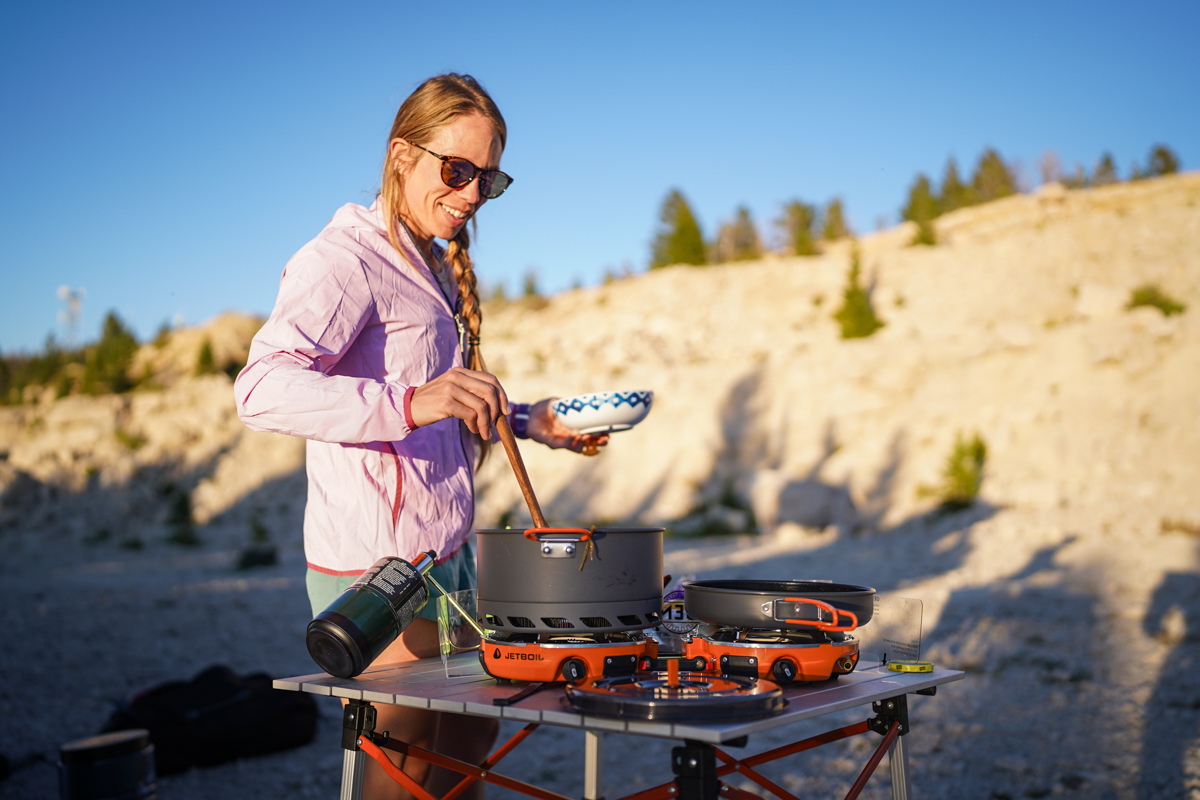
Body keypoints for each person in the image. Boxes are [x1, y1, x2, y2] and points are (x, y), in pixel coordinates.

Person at [234, 73, 605, 800]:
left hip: (450, 555)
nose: (470, 194)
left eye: (487, 180)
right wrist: (409, 402)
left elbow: (443, 402)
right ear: (402, 155)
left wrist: (532, 420)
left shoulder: (432, 261)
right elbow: (261, 389)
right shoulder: (344, 260)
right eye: (457, 170)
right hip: (376, 572)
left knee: (470, 740)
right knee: (399, 764)